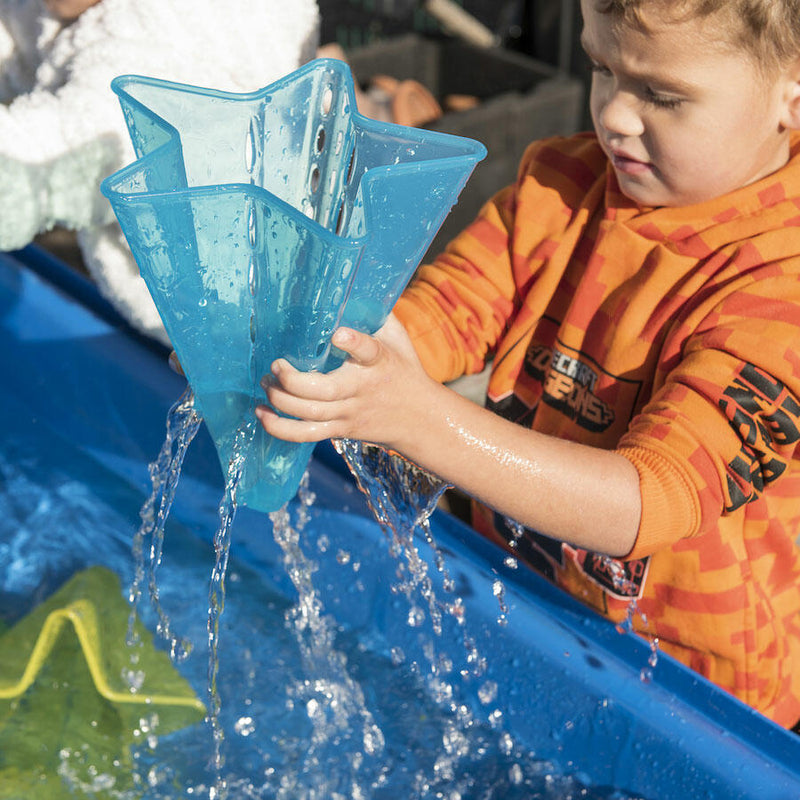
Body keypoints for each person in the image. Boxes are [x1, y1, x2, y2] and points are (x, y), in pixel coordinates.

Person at [256, 0, 800, 730]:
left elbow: (648, 500)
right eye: (602, 68)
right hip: (522, 607)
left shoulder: (779, 285)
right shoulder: (563, 186)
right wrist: (329, 365)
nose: (617, 116)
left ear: (789, 98)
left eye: (663, 96)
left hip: (697, 699)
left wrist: (417, 419)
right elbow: (443, 312)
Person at [0, 0, 319, 343]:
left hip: (229, 301)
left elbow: (65, 147)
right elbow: (15, 42)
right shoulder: (53, 11)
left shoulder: (163, 35)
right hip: (162, 304)